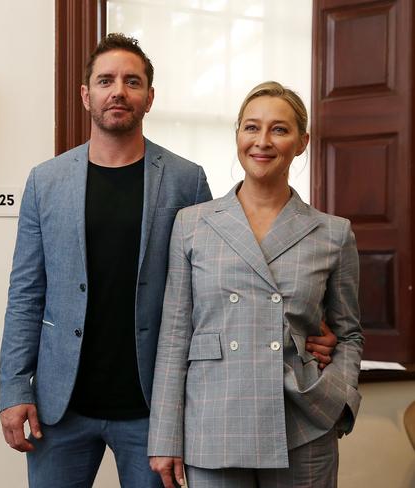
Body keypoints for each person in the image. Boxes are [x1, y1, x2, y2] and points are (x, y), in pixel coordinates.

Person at [0, 35, 337, 488]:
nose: (118, 91)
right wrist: (14, 388)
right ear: (86, 94)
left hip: (151, 408)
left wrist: (307, 326)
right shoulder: (46, 182)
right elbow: (26, 293)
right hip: (60, 406)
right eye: (105, 80)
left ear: (149, 97)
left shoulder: (185, 179)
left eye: (131, 81)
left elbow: (214, 284)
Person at [148, 81, 363, 488]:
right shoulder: (193, 224)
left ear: (302, 142)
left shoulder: (332, 233)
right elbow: (175, 336)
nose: (262, 141)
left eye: (279, 129)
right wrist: (164, 436)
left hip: (303, 419)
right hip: (214, 421)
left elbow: (349, 333)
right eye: (251, 127)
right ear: (238, 136)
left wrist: (339, 397)